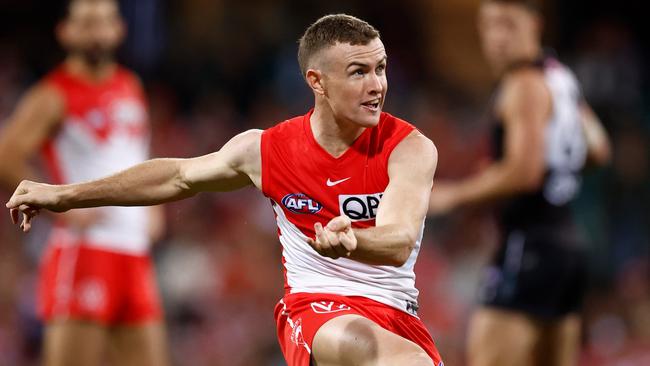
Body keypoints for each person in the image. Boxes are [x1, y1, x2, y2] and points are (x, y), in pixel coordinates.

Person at [6, 14, 444, 366]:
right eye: (359, 72)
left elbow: (399, 241)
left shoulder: (409, 148)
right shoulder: (267, 149)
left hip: (397, 313)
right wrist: (64, 194)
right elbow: (176, 176)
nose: (377, 85)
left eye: (380, 68)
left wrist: (351, 240)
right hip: (317, 309)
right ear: (317, 81)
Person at [428, 1, 611, 366]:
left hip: (528, 246)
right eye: (489, 26)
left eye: (508, 24)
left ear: (535, 24)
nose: (497, 37)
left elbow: (523, 171)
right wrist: (554, 164)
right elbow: (598, 149)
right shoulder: (560, 77)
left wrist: (453, 195)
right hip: (568, 245)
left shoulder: (523, 83)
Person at [0, 1, 168, 365]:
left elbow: (135, 154)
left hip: (134, 250)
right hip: (85, 251)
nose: (97, 32)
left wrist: (155, 206)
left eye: (105, 22)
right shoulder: (52, 95)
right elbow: (5, 156)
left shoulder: (130, 86)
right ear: (65, 32)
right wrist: (59, 206)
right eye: (87, 23)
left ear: (119, 30)